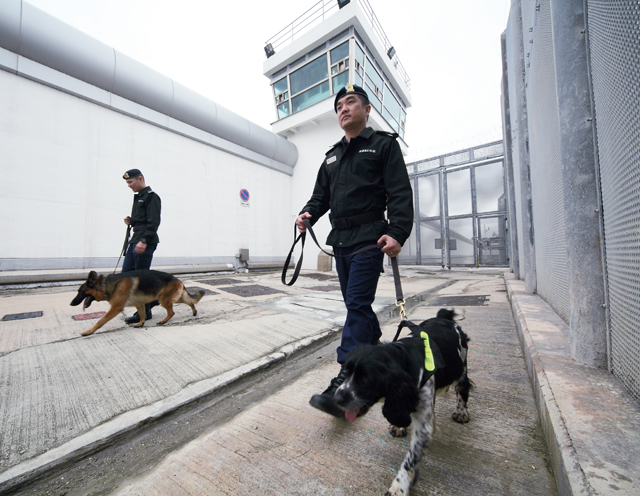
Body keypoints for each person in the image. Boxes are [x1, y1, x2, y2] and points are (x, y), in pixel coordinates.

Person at [296, 84, 414, 417]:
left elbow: (400, 193)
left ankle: (344, 382)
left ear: (367, 110)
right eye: (339, 106)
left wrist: (397, 232)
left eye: (351, 103)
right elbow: (321, 197)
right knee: (355, 305)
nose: (343, 109)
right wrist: (308, 213)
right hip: (342, 240)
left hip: (370, 239)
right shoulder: (331, 156)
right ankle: (373, 349)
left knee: (358, 304)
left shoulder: (383, 146)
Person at [121, 169, 161, 324]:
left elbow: (154, 222)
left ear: (140, 179)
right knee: (127, 276)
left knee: (140, 280)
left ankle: (144, 311)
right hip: (135, 239)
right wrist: (132, 222)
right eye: (127, 183)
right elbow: (143, 220)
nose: (129, 185)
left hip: (145, 241)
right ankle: (152, 301)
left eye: (130, 182)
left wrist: (144, 240)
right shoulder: (139, 197)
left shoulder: (152, 197)